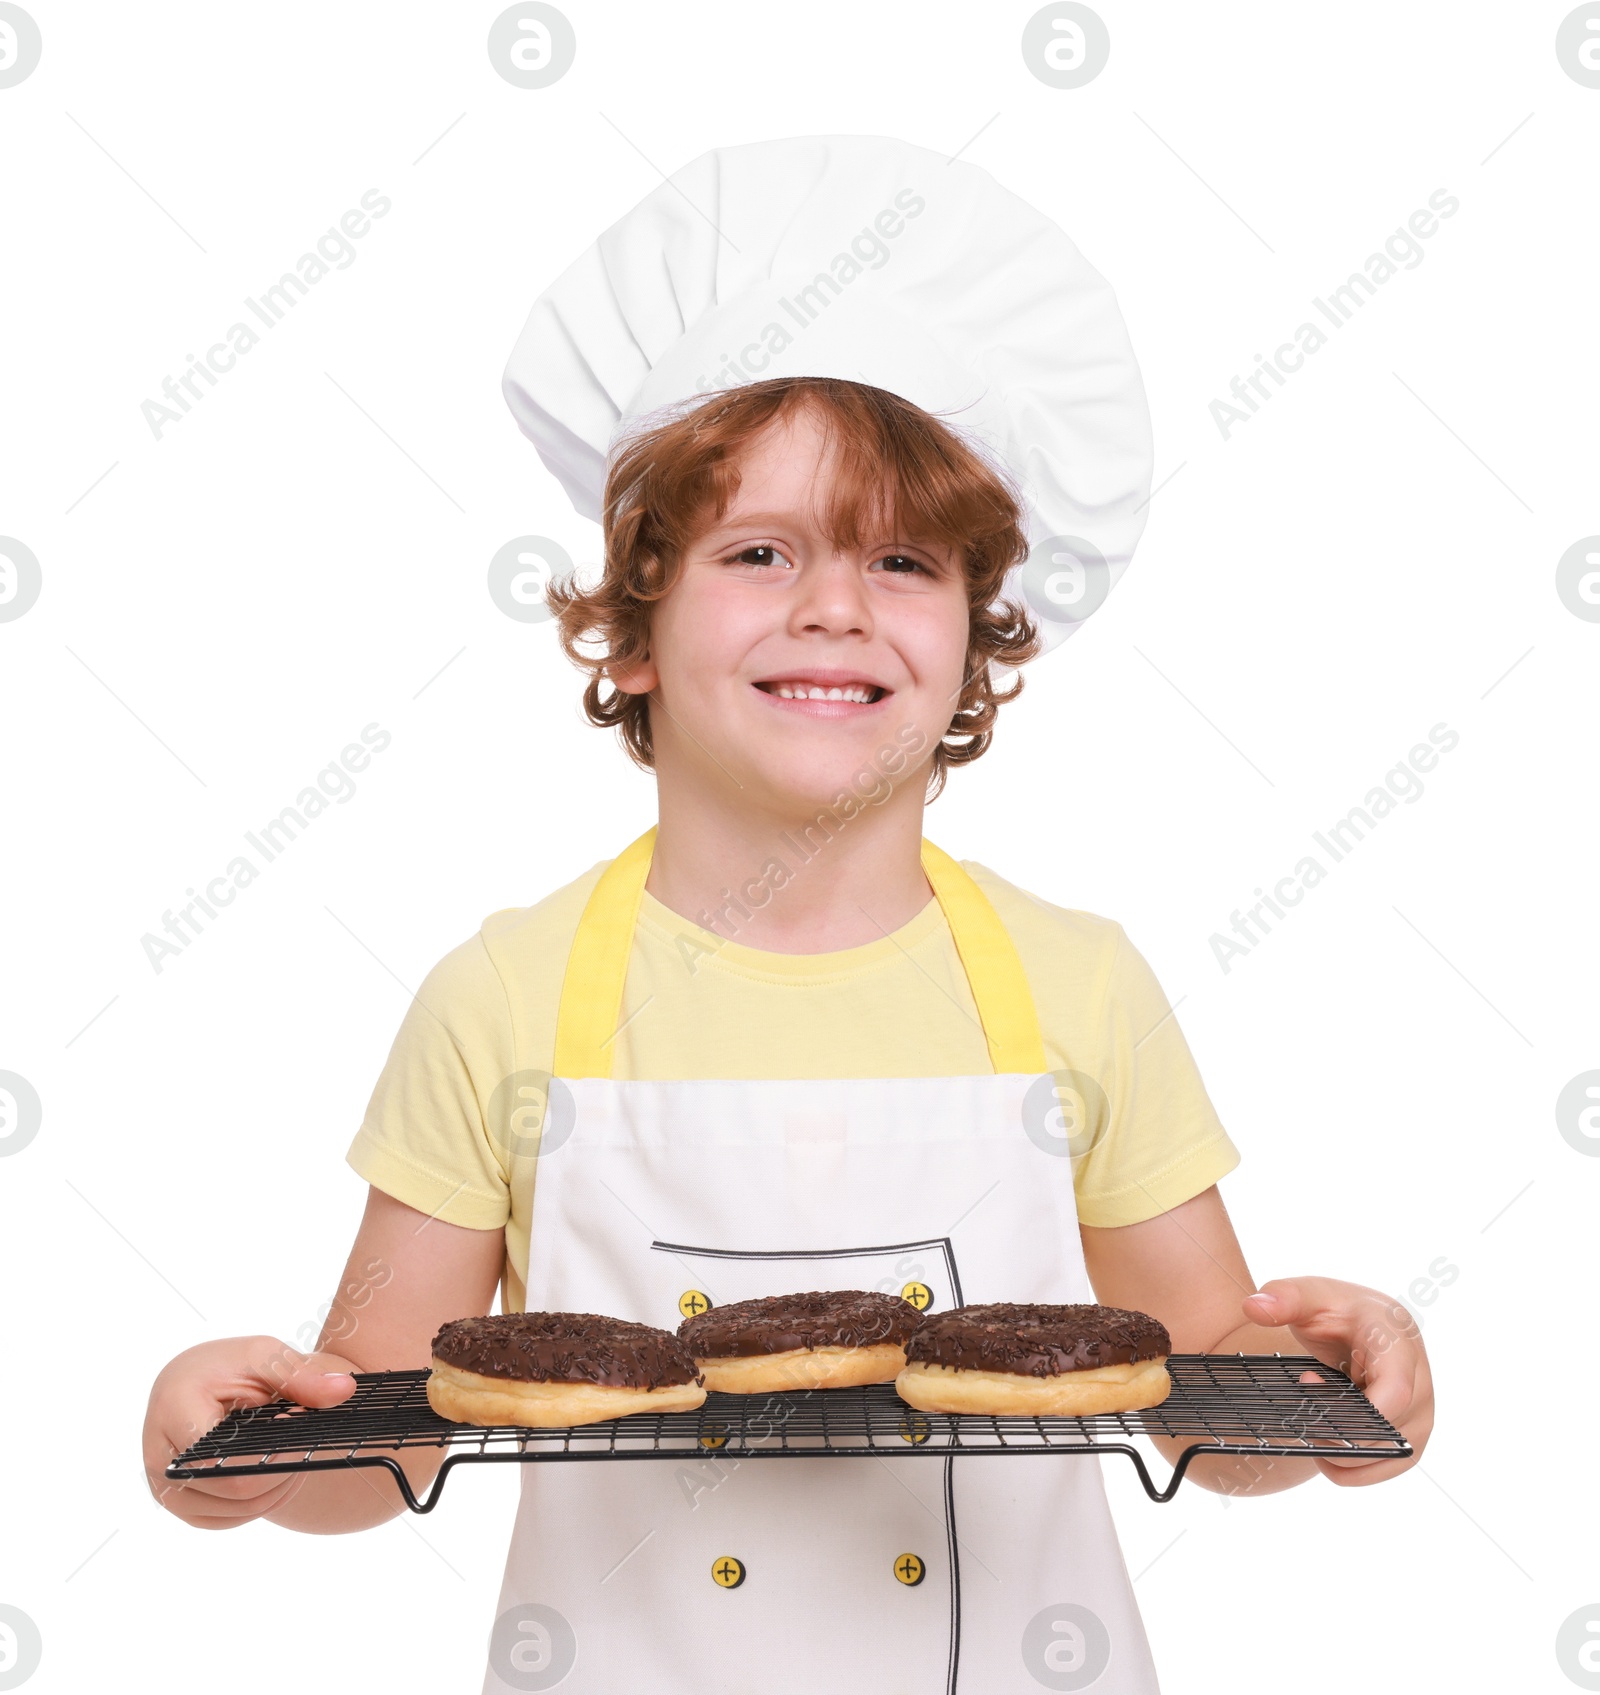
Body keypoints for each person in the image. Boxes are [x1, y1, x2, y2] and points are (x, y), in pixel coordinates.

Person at [143, 138, 1433, 1693]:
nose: (835, 605)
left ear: (973, 650)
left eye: (903, 561)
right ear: (629, 632)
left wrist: (1328, 1399)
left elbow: (1208, 1406)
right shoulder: (506, 994)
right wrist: (246, 1453)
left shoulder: (1077, 984)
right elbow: (387, 1427)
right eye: (761, 553)